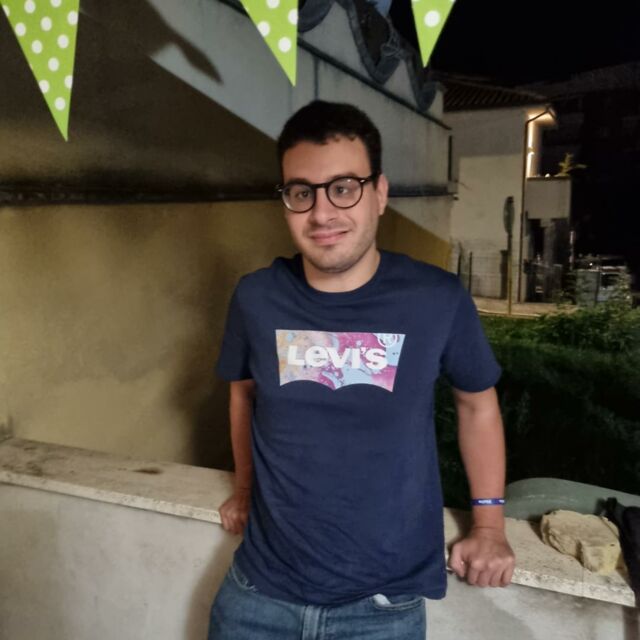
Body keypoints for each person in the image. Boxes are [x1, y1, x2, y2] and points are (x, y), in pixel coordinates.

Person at [208, 100, 515, 640]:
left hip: (381, 610)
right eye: (301, 192)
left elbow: (477, 405)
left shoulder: (435, 298)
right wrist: (245, 487)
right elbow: (243, 393)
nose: (321, 213)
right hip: (257, 598)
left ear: (380, 193)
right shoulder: (257, 297)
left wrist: (488, 523)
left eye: (343, 188)